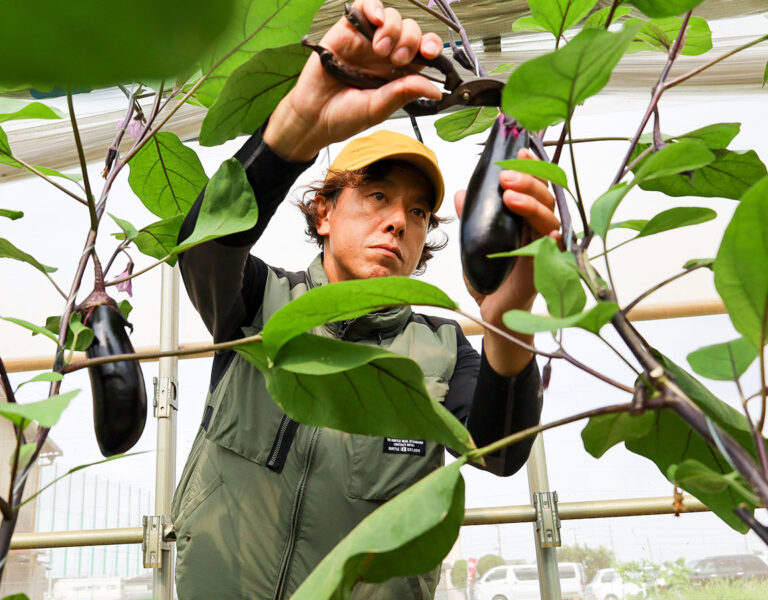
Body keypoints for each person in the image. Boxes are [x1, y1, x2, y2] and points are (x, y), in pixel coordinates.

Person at [171, 0, 561, 598]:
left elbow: (499, 453)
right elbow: (202, 249)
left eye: (417, 211)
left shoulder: (442, 347)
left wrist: (508, 321)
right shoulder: (259, 302)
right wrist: (297, 123)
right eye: (377, 196)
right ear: (323, 212)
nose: (399, 223)